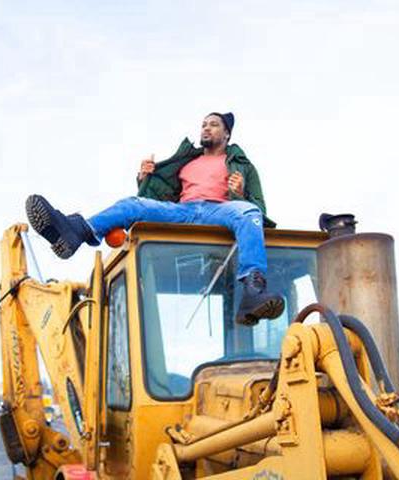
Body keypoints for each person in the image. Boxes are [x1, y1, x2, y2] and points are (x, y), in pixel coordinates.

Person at [26, 112, 284, 326]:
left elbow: (258, 209)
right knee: (132, 204)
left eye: (214, 124)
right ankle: (76, 232)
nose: (206, 128)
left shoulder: (242, 166)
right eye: (204, 124)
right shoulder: (185, 161)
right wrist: (145, 179)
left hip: (220, 210)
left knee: (248, 213)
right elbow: (155, 199)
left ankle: (253, 288)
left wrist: (239, 193)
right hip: (184, 210)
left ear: (227, 133)